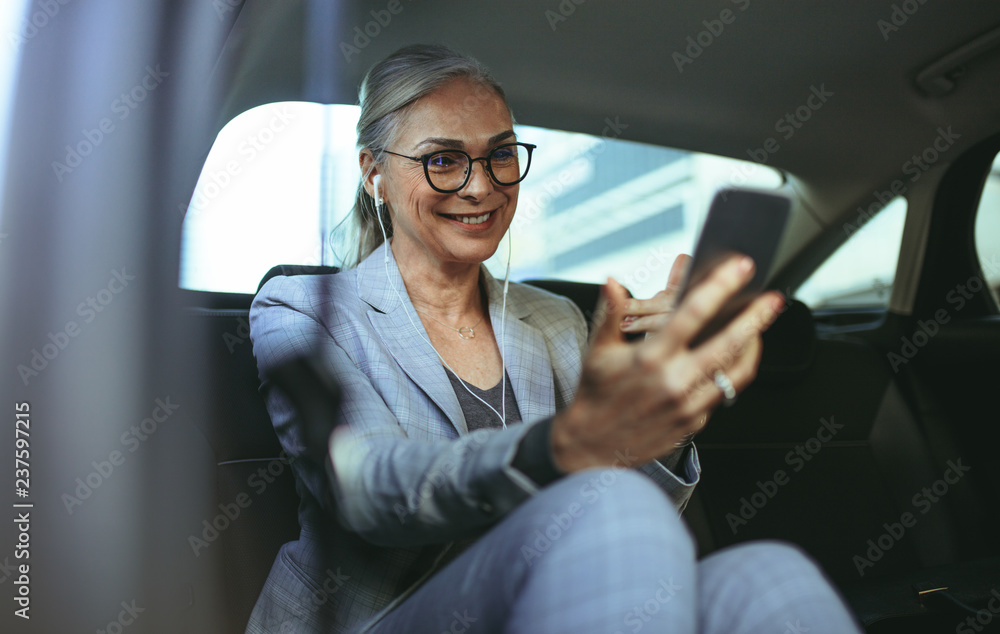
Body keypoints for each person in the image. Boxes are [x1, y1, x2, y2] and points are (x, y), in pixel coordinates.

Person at [246, 44, 862, 634]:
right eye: (442, 159)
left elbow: (632, 535)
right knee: (604, 507)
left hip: (559, 603)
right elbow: (369, 487)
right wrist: (564, 444)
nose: (481, 186)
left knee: (770, 576)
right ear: (374, 174)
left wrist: (661, 426)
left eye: (501, 154)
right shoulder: (305, 309)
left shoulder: (558, 320)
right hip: (385, 618)